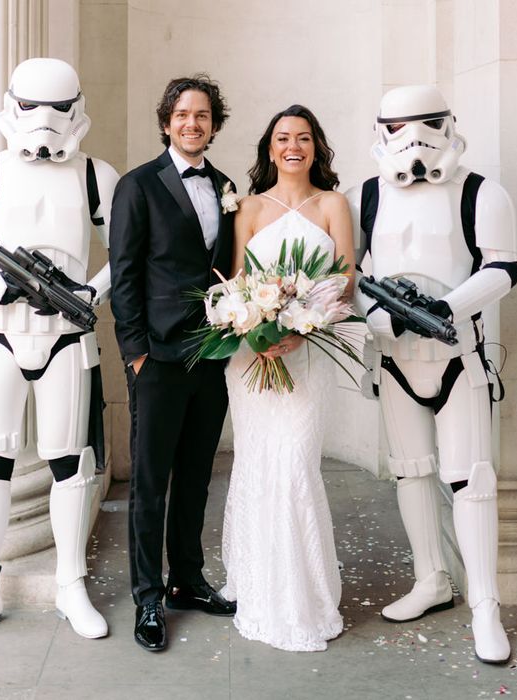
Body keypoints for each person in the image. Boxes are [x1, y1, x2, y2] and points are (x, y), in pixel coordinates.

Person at [0, 58, 118, 646]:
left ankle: (71, 582)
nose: (44, 123)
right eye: (33, 107)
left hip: (66, 335)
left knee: (70, 460)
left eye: (58, 109)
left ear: (76, 110)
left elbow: (126, 255)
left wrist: (92, 291)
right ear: (12, 106)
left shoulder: (96, 175)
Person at [348, 85, 517, 664]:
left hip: (459, 358)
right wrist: (380, 320)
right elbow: (346, 276)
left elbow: (502, 267)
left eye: (426, 124)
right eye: (398, 127)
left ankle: (486, 606)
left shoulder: (481, 192)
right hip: (396, 362)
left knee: (471, 481)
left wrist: (448, 310)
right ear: (380, 131)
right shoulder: (366, 196)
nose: (413, 138)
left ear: (448, 124)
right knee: (411, 473)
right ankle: (431, 579)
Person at [109, 74, 237, 652]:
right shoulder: (138, 185)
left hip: (213, 356)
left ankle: (188, 580)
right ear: (166, 122)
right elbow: (125, 275)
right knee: (151, 483)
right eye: (183, 114)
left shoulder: (227, 185)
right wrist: (135, 353)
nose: (193, 123)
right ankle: (147, 598)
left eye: (203, 115)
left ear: (214, 124)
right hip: (157, 357)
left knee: (196, 477)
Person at [220, 105, 354, 652]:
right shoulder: (248, 208)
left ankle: (304, 597)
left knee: (296, 462)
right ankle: (256, 585)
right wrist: (254, 326)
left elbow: (345, 274)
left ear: (317, 147)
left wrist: (304, 324)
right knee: (257, 461)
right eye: (282, 138)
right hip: (253, 358)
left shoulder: (333, 204)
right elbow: (236, 280)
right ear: (270, 149)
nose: (293, 145)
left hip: (309, 353)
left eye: (303, 137)